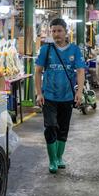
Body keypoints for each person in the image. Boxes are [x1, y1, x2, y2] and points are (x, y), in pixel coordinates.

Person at [35, 18, 86, 174]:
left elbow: (80, 71)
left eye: (59, 31)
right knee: (50, 127)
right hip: (49, 96)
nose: (56, 34)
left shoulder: (75, 50)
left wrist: (79, 92)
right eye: (53, 31)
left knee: (63, 129)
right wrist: (39, 93)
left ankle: (59, 157)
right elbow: (37, 72)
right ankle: (52, 160)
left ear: (66, 32)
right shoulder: (46, 49)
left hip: (67, 96)